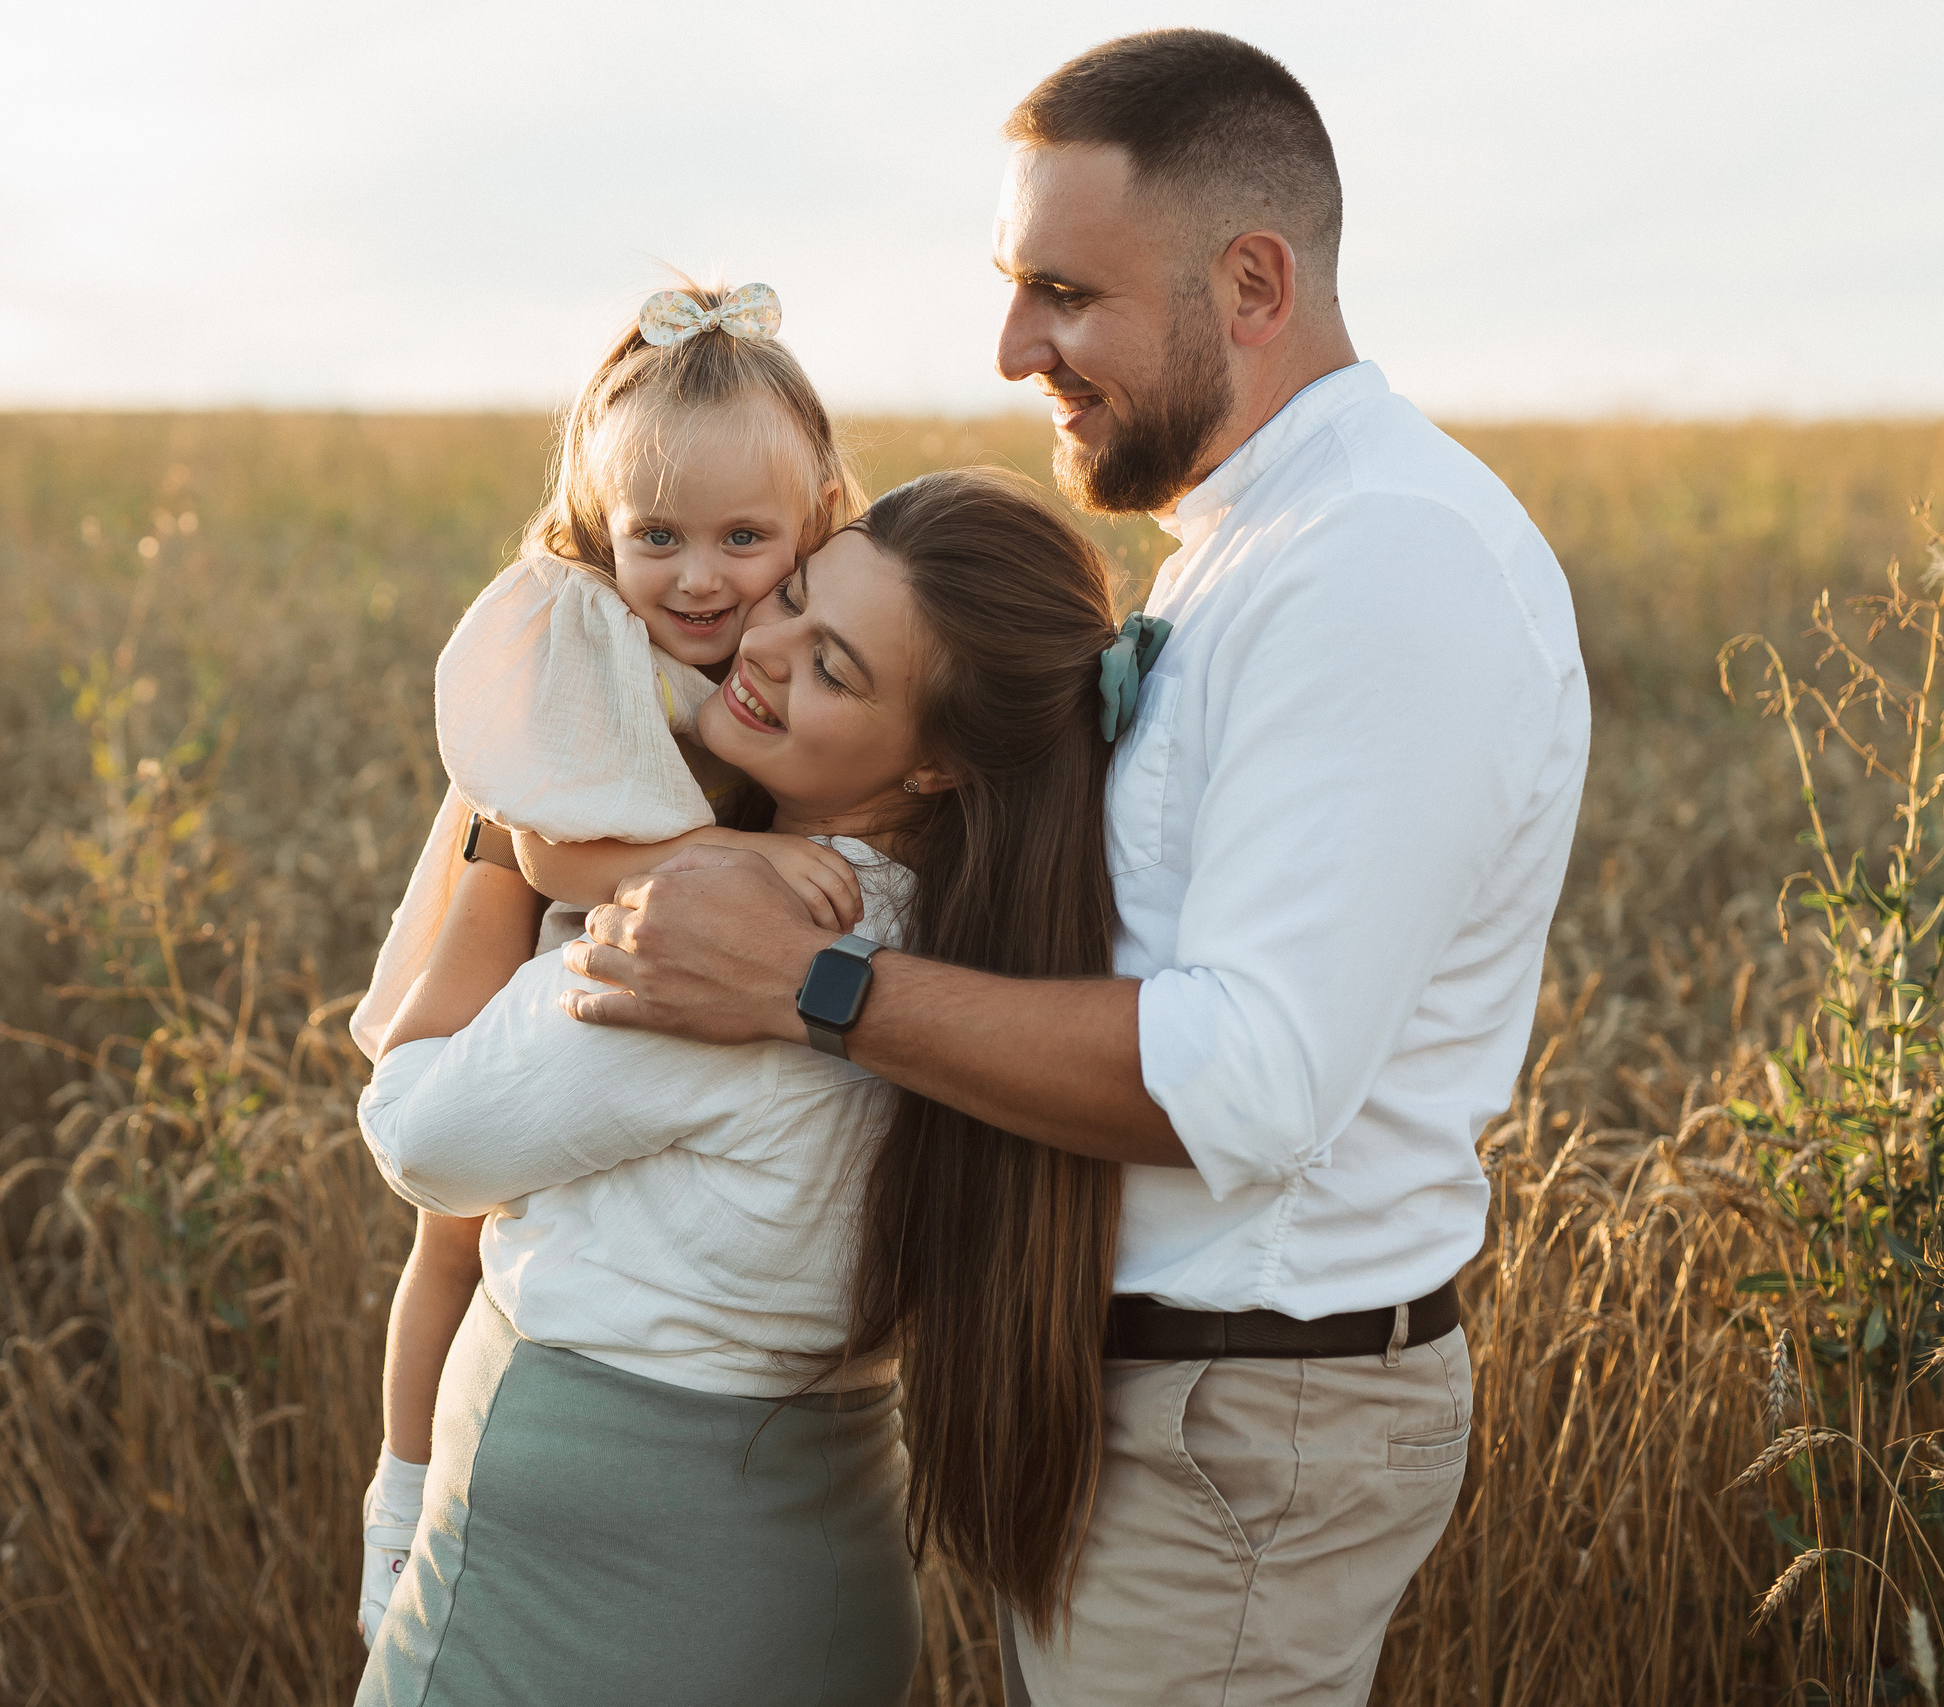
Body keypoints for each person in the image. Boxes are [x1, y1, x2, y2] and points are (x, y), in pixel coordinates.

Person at [557, 29, 1591, 1706]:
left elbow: (1242, 1078)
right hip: (1168, 1413)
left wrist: (819, 988)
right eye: (1012, 285)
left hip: (1244, 1422)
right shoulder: (1250, 548)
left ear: (1251, 280)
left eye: (1065, 292)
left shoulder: (1385, 561)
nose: (1013, 343)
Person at [354, 469, 1142, 1706]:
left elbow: (418, 1136)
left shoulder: (727, 935)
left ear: (935, 766)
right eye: (791, 596)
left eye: (832, 668)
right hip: (810, 1577)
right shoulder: (967, 945)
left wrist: (506, 799)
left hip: (591, 1603)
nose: (758, 647)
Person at [345, 279, 866, 1640]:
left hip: (628, 928)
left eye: (743, 537)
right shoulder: (586, 642)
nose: (700, 575)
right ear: (601, 528)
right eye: (658, 536)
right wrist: (731, 866)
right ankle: (399, 1496)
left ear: (811, 523)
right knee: (448, 1232)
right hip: (535, 903)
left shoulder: (798, 631)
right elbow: (548, 859)